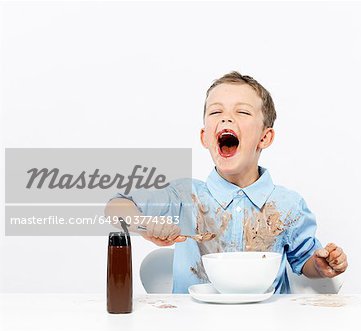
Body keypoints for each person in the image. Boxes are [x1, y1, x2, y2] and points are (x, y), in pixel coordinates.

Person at [105, 71, 348, 293]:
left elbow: (304, 260)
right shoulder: (184, 196)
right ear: (205, 137)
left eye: (242, 112)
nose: (226, 119)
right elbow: (115, 208)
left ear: (265, 137)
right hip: (194, 323)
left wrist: (321, 265)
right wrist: (144, 224)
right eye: (215, 112)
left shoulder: (288, 205)